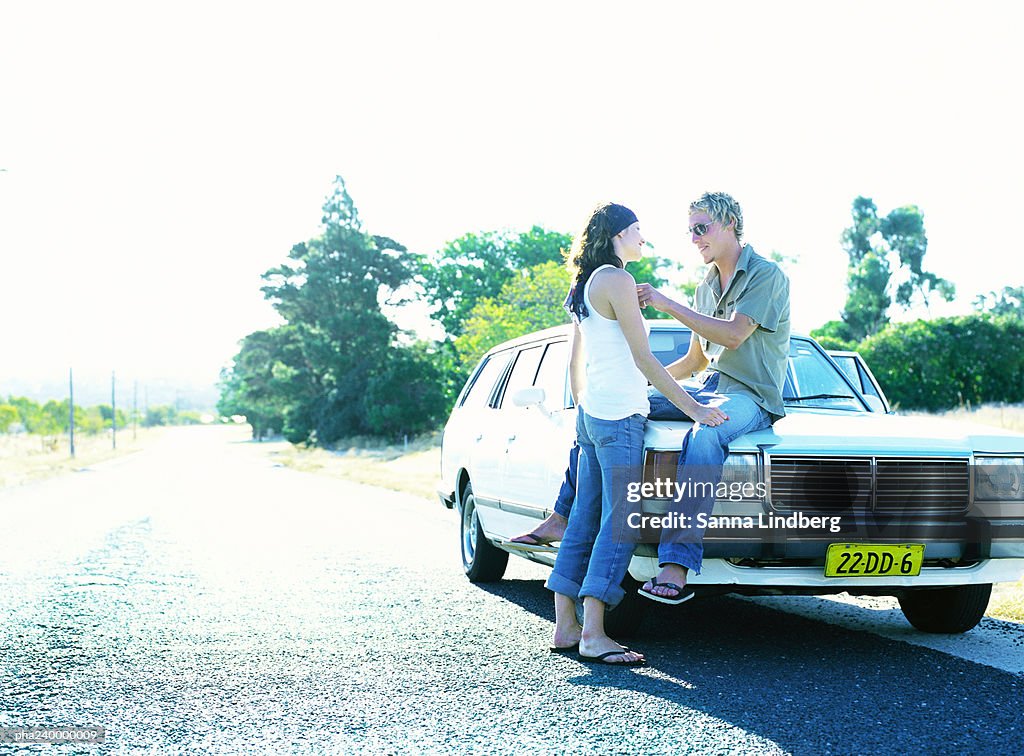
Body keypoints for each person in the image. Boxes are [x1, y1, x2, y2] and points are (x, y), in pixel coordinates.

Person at [545, 202, 726, 666]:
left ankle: (566, 625)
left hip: (593, 413)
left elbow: (577, 362)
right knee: (621, 522)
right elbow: (643, 358)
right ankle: (594, 635)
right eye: (639, 232)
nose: (644, 240)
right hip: (619, 415)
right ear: (619, 234)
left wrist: (584, 407)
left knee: (585, 519)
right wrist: (693, 408)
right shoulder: (618, 280)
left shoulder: (584, 284)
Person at [634, 191, 791, 604]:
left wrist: (667, 304)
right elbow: (694, 360)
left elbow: (734, 336)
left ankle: (676, 563)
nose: (694, 238)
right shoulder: (706, 287)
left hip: (752, 397)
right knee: (615, 404)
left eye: (701, 229)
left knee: (705, 432)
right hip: (711, 388)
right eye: (690, 231)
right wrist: (645, 385)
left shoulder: (766, 275)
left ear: (729, 224)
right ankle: (566, 516)